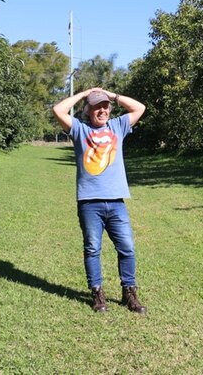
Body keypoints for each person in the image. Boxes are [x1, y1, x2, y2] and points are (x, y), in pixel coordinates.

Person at [52, 87, 147, 314]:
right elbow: (58, 109)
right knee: (92, 248)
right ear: (87, 110)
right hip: (89, 202)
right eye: (96, 106)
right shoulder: (80, 130)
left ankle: (129, 293)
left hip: (116, 201)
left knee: (127, 248)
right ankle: (97, 293)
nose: (101, 110)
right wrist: (85, 94)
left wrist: (111, 95)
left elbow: (139, 108)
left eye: (105, 106)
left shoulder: (118, 126)